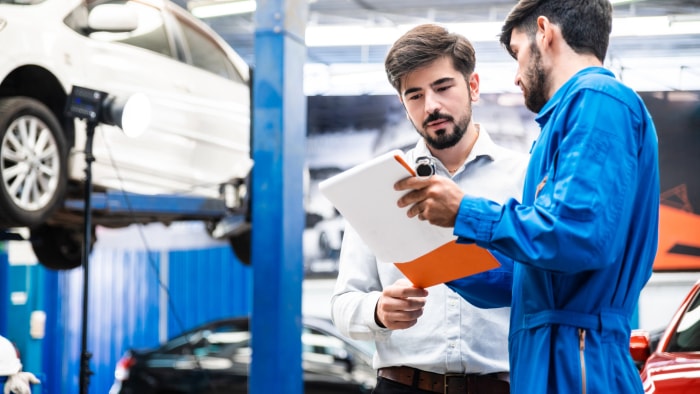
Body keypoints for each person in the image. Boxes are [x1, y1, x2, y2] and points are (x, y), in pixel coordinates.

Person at [395, 1, 660, 393]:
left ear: (544, 32)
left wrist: (465, 211)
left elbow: (578, 236)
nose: (517, 77)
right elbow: (531, 277)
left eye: (517, 53)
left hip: (579, 364)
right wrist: (443, 264)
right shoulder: (566, 120)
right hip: (551, 358)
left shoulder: (598, 100)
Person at [331, 24, 529, 394]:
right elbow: (343, 303)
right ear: (404, 105)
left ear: (472, 86)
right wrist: (377, 311)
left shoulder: (525, 178)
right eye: (415, 95)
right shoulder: (379, 187)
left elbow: (547, 286)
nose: (431, 106)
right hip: (402, 385)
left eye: (442, 87)